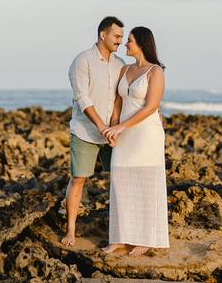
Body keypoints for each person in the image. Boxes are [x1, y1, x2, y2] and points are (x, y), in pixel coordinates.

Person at [101, 26, 169, 255]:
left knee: (147, 185)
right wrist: (113, 127)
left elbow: (151, 107)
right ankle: (119, 236)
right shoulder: (125, 69)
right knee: (120, 182)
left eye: (129, 40)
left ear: (141, 43)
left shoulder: (155, 72)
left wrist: (122, 127)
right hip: (123, 134)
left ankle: (146, 238)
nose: (125, 44)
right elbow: (118, 103)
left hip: (146, 135)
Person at [61, 16, 126, 246]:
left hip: (112, 133)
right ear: (103, 35)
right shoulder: (82, 61)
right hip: (85, 131)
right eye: (117, 35)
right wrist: (101, 126)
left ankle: (119, 232)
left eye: (121, 36)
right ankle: (70, 230)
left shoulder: (120, 65)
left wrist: (114, 126)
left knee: (118, 179)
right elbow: (82, 98)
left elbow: (119, 98)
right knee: (78, 179)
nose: (120, 40)